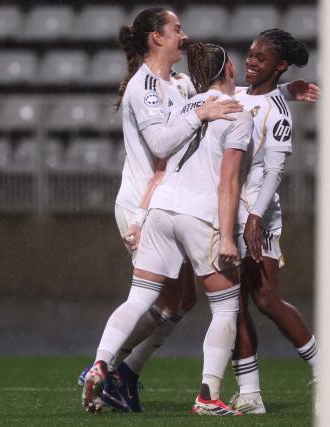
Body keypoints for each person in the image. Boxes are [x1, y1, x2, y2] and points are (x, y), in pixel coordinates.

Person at [80, 7, 243, 413]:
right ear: (157, 37)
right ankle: (111, 366)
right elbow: (160, 144)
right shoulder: (146, 87)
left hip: (162, 203)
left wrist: (282, 92)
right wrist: (201, 113)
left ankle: (117, 371)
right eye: (177, 28)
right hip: (143, 205)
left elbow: (221, 94)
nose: (183, 36)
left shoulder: (180, 82)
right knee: (160, 298)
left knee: (181, 299)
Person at [114, 41, 252, 416]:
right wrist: (227, 236)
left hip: (160, 210)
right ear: (230, 71)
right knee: (224, 305)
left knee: (172, 299)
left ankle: (114, 364)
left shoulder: (181, 103)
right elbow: (228, 182)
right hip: (190, 213)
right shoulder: (233, 112)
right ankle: (207, 395)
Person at [227, 28, 321, 414]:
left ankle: (324, 371)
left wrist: (254, 217)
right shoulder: (234, 94)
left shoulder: (280, 115)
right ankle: (249, 393)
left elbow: (274, 172)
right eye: (249, 54)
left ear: (280, 65)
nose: (250, 61)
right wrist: (284, 90)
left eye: (260, 58)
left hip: (256, 213)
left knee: (266, 298)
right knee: (230, 302)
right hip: (224, 211)